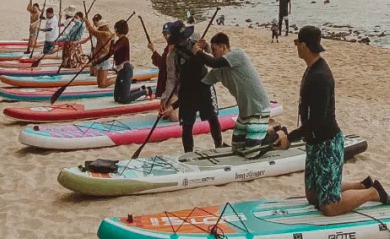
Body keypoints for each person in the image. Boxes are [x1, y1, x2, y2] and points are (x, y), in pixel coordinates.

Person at [274, 26, 390, 216]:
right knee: (313, 197)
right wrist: (287, 134)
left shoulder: (320, 77)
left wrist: (291, 138)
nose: (295, 46)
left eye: (296, 43)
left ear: (303, 46)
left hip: (327, 144)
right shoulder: (312, 69)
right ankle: (362, 185)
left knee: (329, 207)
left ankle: (373, 192)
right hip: (314, 143)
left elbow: (317, 120)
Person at [195, 32, 273, 157]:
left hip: (259, 109)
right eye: (212, 50)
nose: (213, 53)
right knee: (236, 149)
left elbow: (213, 62)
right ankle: (262, 134)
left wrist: (198, 52)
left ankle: (276, 134)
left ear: (224, 47)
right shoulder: (217, 72)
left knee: (250, 154)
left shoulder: (238, 55)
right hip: (244, 113)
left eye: (215, 50)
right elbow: (200, 86)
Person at [160, 21, 222, 152]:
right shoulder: (172, 56)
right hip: (186, 90)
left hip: (205, 86)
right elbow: (171, 79)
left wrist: (206, 48)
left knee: (212, 117)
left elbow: (212, 59)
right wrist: (166, 98)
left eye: (185, 37)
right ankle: (188, 153)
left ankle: (219, 145)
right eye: (181, 39)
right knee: (187, 124)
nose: (184, 41)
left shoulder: (196, 44)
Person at [109, 19, 150, 104]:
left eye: (115, 29)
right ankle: (140, 89)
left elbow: (112, 51)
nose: (114, 31)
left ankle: (146, 91)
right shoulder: (119, 41)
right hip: (120, 70)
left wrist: (112, 40)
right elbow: (110, 53)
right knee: (117, 98)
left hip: (125, 70)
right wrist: (96, 62)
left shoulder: (124, 40)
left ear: (117, 30)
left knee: (124, 99)